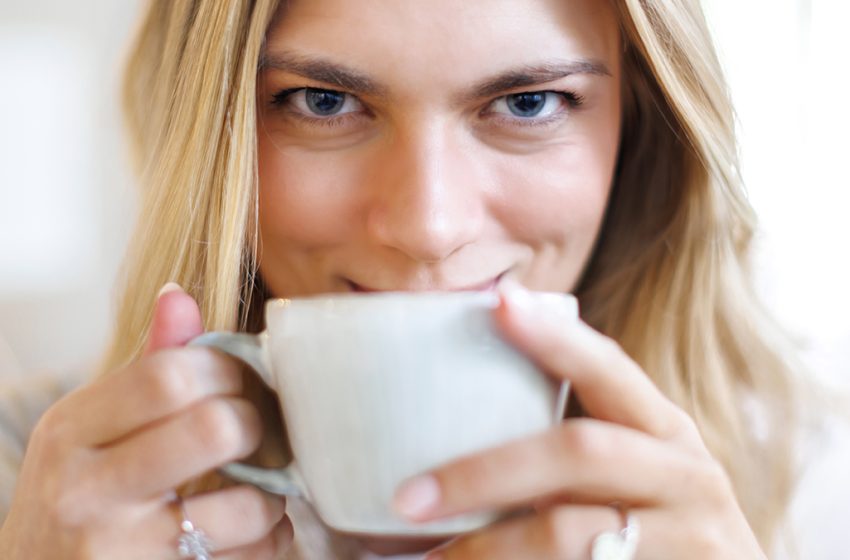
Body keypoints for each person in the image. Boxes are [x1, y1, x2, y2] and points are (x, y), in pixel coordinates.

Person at [0, 0, 839, 558]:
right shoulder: (28, 480)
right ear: (211, 135)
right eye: (323, 102)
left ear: (642, 136)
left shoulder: (807, 484)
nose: (430, 227)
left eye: (529, 103)